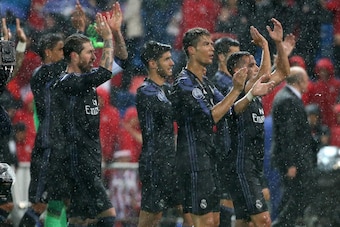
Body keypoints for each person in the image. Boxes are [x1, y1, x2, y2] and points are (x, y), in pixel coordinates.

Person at [170, 27, 275, 227]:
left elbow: (231, 111)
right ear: (191, 50)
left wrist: (251, 94)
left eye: (211, 44)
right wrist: (237, 89)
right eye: (206, 44)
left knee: (216, 221)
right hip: (194, 162)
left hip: (211, 160)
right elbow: (211, 117)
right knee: (204, 222)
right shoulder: (184, 83)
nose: (211, 48)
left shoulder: (206, 84)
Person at [45, 2, 127, 226]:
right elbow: (107, 70)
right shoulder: (68, 82)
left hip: (87, 159)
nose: (94, 57)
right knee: (107, 216)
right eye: (90, 52)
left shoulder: (83, 79)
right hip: (77, 160)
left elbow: (122, 59)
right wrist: (107, 37)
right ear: (73, 56)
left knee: (80, 219)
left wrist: (117, 32)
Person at [226, 18, 290, 227]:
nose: (257, 68)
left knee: (245, 222)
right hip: (242, 166)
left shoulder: (256, 93)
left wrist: (278, 44)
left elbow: (283, 73)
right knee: (263, 220)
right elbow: (264, 76)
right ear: (239, 72)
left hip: (253, 166)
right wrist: (264, 45)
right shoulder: (237, 92)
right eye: (251, 65)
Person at [19, 32, 66, 227]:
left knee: (57, 204)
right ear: (48, 52)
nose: (65, 54)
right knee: (39, 205)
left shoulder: (62, 76)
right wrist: (79, 37)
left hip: (61, 148)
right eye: (61, 50)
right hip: (47, 149)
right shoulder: (42, 74)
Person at [136, 40, 178, 227]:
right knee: (150, 219)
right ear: (153, 64)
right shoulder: (146, 91)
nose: (172, 63)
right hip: (155, 163)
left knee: (189, 211)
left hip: (171, 160)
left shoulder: (167, 90)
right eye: (166, 59)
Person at [270, 66, 316, 226]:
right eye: (306, 80)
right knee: (295, 198)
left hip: (293, 160)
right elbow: (288, 135)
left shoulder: (285, 96)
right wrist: (291, 163)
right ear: (300, 81)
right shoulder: (288, 99)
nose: (308, 83)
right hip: (293, 161)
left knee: (292, 198)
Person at [210, 36, 240, 226]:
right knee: (225, 204)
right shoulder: (218, 83)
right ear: (221, 57)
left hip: (234, 149)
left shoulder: (235, 82)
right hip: (225, 152)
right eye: (233, 56)